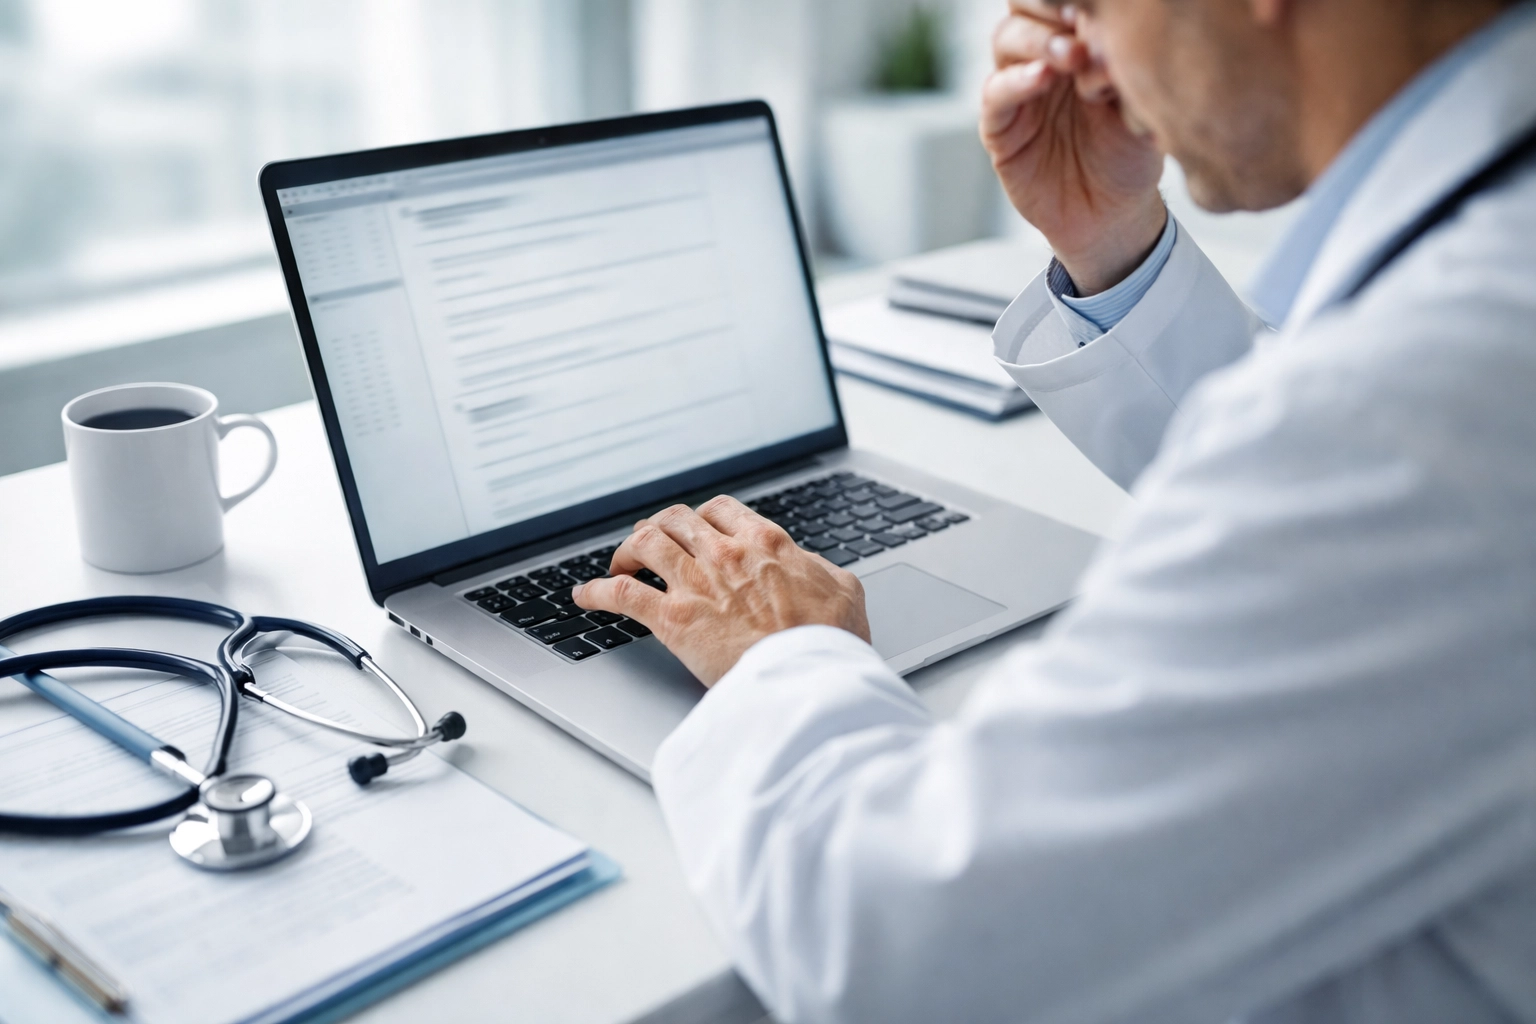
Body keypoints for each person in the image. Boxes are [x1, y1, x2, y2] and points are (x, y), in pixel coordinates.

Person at [574, 0, 1536, 1019]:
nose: (1073, 45)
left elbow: (903, 952)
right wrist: (1115, 244)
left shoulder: (1426, 395)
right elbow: (1331, 506)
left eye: (1088, 3)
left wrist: (779, 654)